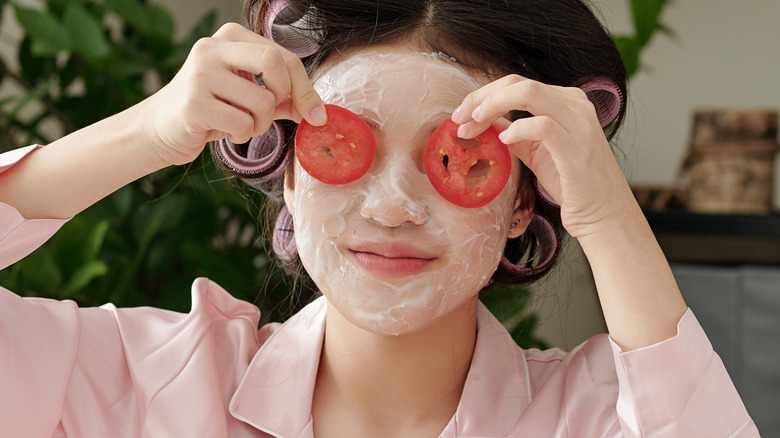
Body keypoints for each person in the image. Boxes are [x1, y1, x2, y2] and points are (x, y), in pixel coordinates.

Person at [0, 0, 758, 436]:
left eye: (461, 155)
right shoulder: (147, 387)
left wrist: (609, 215)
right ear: (290, 172)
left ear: (526, 198)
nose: (392, 206)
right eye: (342, 146)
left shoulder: (594, 420)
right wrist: (145, 132)